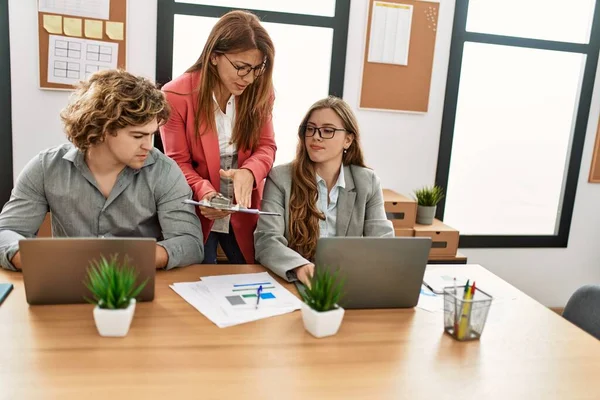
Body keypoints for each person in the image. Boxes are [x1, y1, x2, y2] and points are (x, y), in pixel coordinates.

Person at [0, 69, 204, 271]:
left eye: (151, 134)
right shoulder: (46, 167)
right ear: (102, 129)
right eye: (137, 136)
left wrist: (137, 258)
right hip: (67, 282)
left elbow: (190, 243)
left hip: (137, 285)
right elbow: (7, 231)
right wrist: (35, 259)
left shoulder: (164, 171)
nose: (149, 146)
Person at [160, 10, 276, 265]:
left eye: (257, 68)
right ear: (214, 56)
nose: (249, 77)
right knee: (199, 277)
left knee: (249, 273)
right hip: (197, 205)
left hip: (243, 204)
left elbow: (266, 146)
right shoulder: (175, 95)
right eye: (241, 67)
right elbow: (176, 162)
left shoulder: (260, 92)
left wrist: (249, 171)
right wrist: (205, 192)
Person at [254, 96, 394, 285]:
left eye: (328, 130)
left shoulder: (367, 181)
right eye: (310, 129)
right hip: (297, 281)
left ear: (348, 140)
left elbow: (383, 243)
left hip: (349, 281)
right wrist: (301, 268)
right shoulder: (281, 178)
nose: (316, 136)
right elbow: (266, 241)